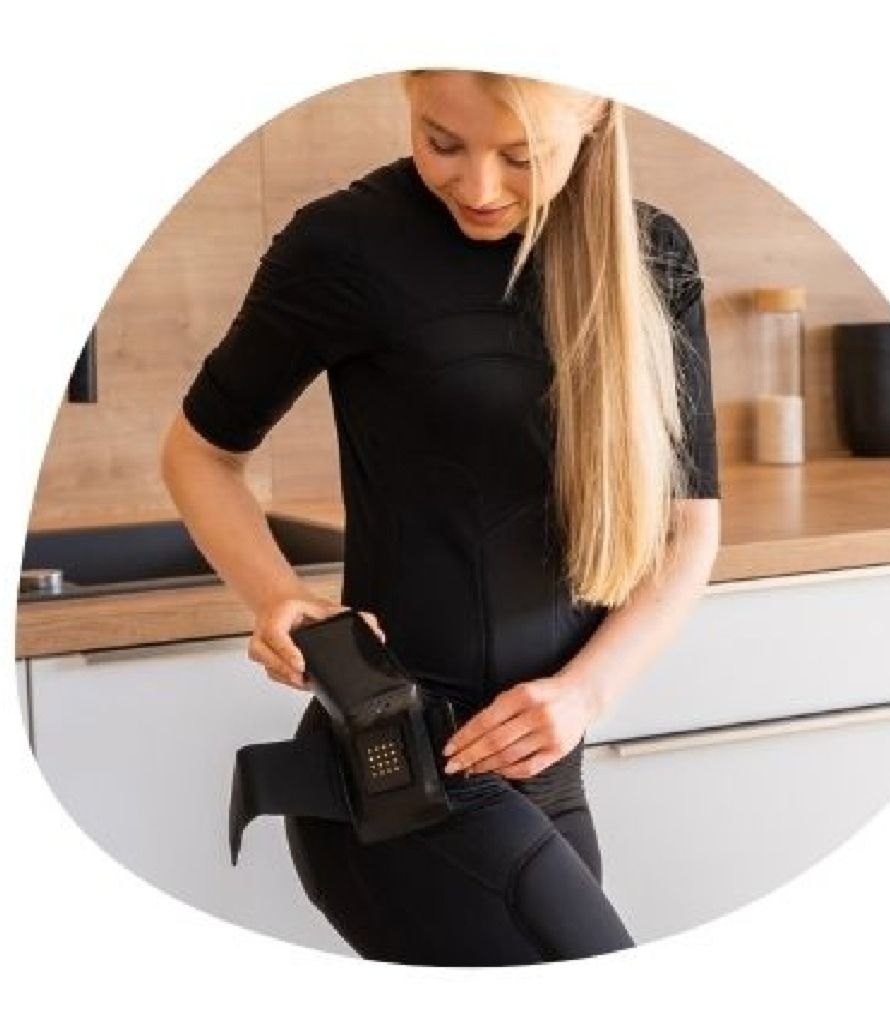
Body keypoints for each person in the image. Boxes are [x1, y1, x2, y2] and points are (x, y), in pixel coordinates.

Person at [160, 68, 721, 966]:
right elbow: (199, 454)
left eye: (522, 155)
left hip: (549, 776)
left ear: (593, 116)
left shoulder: (652, 255)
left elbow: (686, 528)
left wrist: (583, 694)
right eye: (442, 142)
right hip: (395, 779)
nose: (479, 186)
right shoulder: (345, 245)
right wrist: (276, 597)